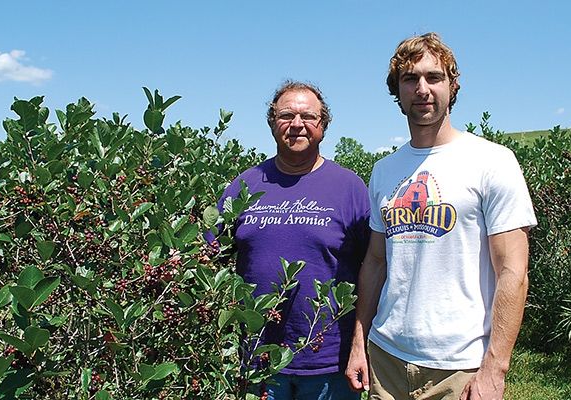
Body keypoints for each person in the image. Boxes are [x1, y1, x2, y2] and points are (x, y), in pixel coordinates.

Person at [345, 33, 537, 399]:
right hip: (385, 358)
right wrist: (359, 341)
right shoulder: (385, 170)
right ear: (397, 92)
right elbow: (374, 261)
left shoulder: (493, 161)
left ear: (452, 86)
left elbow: (514, 271)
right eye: (410, 79)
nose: (422, 89)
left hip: (460, 366)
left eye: (434, 77)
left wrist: (495, 369)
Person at [211, 81, 370, 400]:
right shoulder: (244, 185)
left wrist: (359, 346)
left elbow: (373, 271)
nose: (297, 124)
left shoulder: (350, 188)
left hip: (329, 366)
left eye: (308, 116)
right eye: (286, 115)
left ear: (323, 125)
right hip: (256, 362)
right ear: (272, 123)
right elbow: (209, 257)